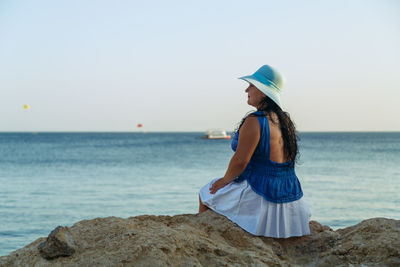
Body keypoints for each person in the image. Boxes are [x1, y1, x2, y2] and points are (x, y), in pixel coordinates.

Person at [198, 65, 311, 238]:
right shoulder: (285, 121)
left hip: (262, 197)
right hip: (292, 199)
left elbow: (240, 162)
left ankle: (203, 238)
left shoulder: (255, 121)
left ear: (264, 91)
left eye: (251, 85)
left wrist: (224, 180)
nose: (246, 89)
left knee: (206, 193)